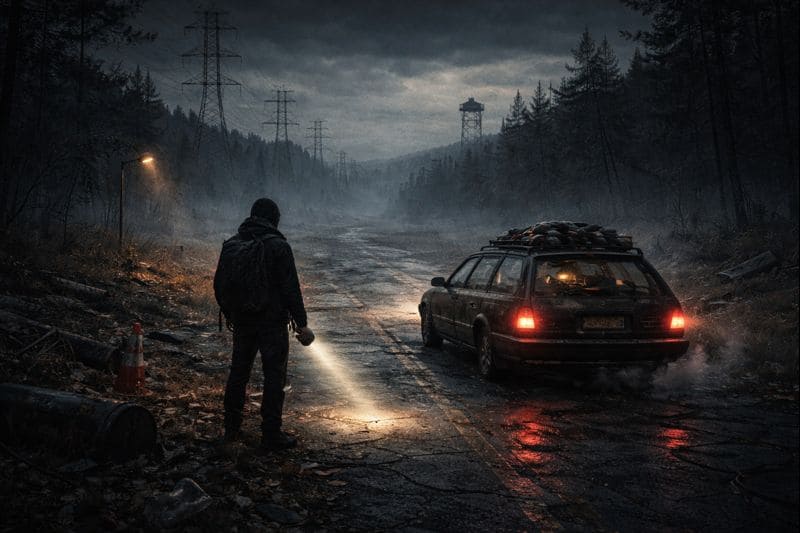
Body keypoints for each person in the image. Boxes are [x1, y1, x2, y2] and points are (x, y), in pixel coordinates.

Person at [220, 198, 315, 450]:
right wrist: (301, 323)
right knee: (274, 376)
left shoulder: (232, 245)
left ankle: (231, 429)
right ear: (274, 220)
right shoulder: (279, 246)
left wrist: (232, 312)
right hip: (272, 323)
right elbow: (290, 288)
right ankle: (271, 434)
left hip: (242, 320)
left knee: (238, 373)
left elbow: (220, 284)